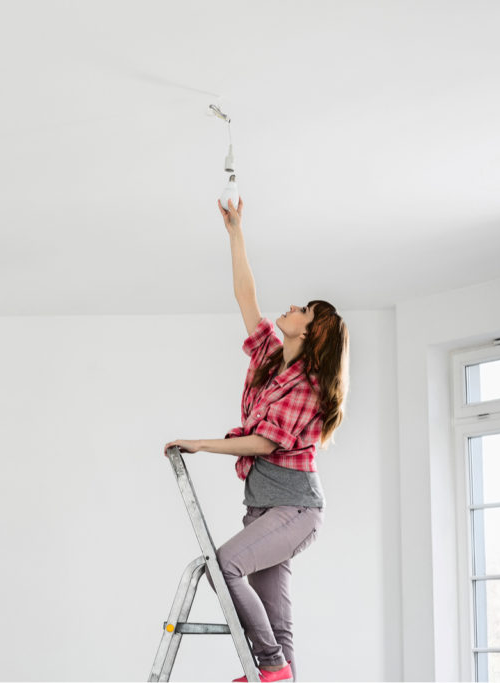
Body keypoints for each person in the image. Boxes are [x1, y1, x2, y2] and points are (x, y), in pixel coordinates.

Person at [163, 197, 349, 683]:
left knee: (225, 566)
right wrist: (235, 233)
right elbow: (246, 298)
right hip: (263, 508)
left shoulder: (308, 385)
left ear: (312, 335)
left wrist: (204, 444)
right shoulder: (271, 358)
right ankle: (278, 669)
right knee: (279, 623)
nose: (289, 309)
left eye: (301, 311)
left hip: (296, 510)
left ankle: (269, 668)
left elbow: (265, 443)